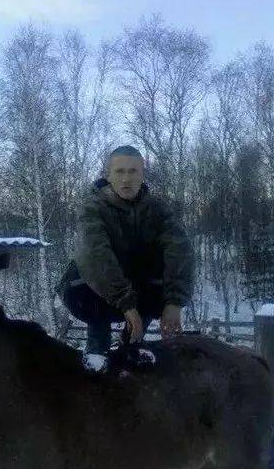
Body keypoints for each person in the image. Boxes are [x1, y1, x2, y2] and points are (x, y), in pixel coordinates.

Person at [56, 145, 194, 355]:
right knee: (91, 281)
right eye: (120, 171)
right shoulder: (92, 208)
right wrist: (126, 304)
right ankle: (96, 356)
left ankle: (132, 346)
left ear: (142, 175)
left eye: (133, 171)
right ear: (109, 175)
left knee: (157, 267)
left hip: (139, 287)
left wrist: (174, 302)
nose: (126, 179)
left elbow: (180, 249)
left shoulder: (157, 209)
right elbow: (96, 256)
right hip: (92, 292)